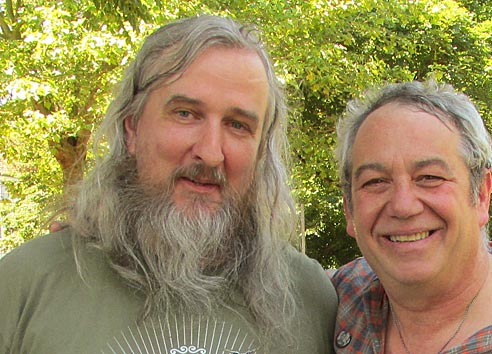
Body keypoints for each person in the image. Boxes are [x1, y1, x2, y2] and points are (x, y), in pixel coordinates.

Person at [0, 15, 337, 354]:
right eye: (185, 114)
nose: (210, 153)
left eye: (237, 125)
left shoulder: (310, 299)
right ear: (131, 129)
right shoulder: (25, 285)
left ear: (261, 150)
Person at [329, 80, 492, 353]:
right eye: (375, 182)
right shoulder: (337, 300)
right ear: (349, 209)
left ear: (481, 194)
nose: (403, 206)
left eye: (429, 177)